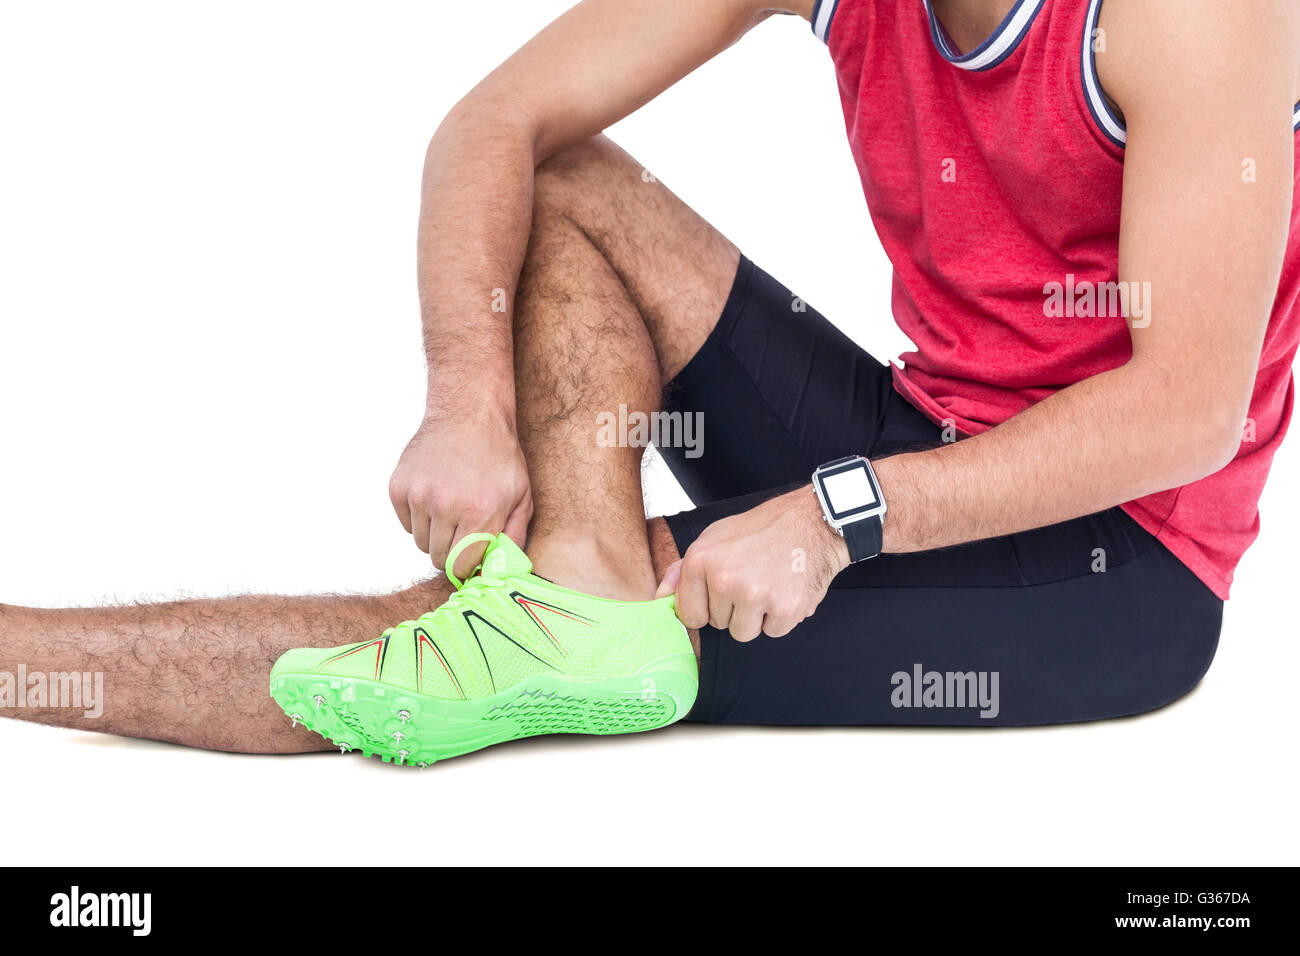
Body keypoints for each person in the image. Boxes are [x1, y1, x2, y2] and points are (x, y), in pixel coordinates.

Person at [4, 0, 1298, 765]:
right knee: (560, 179)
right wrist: (470, 398)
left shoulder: (1188, 17)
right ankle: (586, 590)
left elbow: (1189, 411)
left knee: (434, 636)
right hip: (925, 441)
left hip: (1121, 566)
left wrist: (838, 513)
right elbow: (495, 126)